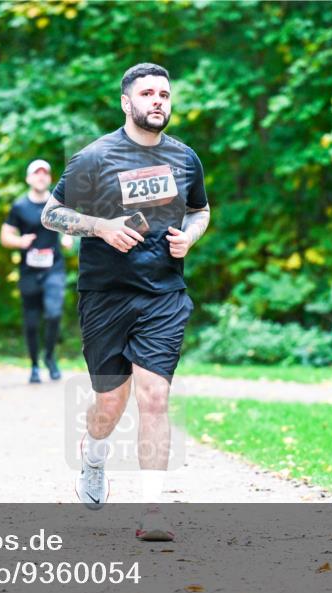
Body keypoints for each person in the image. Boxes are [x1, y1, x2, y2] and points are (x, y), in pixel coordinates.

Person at [42, 63, 210, 541]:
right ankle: (93, 454)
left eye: (164, 94)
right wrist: (100, 227)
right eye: (148, 93)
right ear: (126, 103)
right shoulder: (94, 158)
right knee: (109, 404)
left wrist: (190, 238)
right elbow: (51, 213)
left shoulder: (184, 158)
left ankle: (152, 511)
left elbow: (200, 209)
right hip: (105, 296)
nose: (158, 100)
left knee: (154, 397)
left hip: (163, 293)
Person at [0, 159, 73, 384]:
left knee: (53, 313)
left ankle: (50, 357)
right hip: (29, 271)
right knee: (31, 322)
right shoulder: (19, 206)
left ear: (49, 179)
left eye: (45, 174)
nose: (41, 177)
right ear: (29, 178)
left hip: (54, 269)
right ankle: (33, 365)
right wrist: (19, 241)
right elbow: (5, 237)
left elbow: (69, 225)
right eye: (36, 173)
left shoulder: (58, 203)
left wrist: (68, 236)